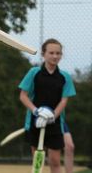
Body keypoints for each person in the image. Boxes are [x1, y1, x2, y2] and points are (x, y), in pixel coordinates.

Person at [19, 38, 76, 173]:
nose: (55, 56)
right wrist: (36, 111)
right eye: (51, 53)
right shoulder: (34, 73)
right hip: (35, 121)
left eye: (58, 53)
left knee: (55, 161)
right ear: (43, 54)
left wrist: (52, 116)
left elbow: (64, 100)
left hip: (54, 123)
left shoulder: (65, 77)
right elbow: (23, 96)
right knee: (37, 162)